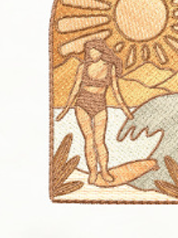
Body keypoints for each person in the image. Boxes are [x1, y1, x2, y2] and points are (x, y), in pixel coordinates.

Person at [55, 38, 134, 185]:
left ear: (101, 51)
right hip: (82, 104)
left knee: (100, 141)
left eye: (94, 51)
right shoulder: (83, 67)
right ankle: (92, 171)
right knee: (89, 139)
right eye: (89, 51)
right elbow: (75, 88)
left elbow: (116, 90)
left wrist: (125, 110)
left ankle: (104, 171)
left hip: (100, 105)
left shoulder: (109, 67)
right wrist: (65, 109)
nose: (92, 54)